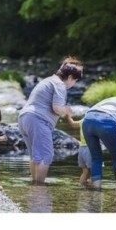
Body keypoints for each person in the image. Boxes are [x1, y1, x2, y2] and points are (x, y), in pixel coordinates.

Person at [18, 56, 83, 184]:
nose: (73, 84)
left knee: (35, 156)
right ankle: (39, 188)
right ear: (70, 77)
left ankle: (34, 185)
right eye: (75, 81)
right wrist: (67, 110)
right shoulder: (60, 85)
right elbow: (57, 108)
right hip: (38, 120)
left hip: (24, 118)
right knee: (45, 156)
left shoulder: (48, 80)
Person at [66, 115, 92, 187]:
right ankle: (93, 191)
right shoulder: (96, 121)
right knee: (95, 173)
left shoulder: (83, 121)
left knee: (85, 173)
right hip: (91, 149)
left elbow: (72, 124)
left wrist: (68, 116)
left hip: (82, 149)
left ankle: (81, 189)